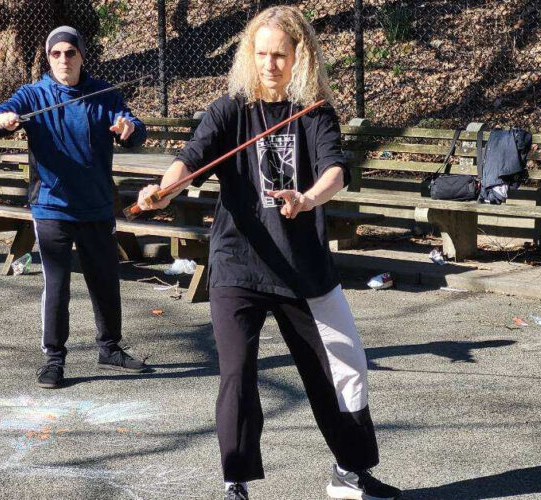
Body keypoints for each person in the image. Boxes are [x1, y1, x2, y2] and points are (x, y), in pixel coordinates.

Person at [135, 7, 398, 500]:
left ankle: (350, 473)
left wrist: (308, 198)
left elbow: (335, 171)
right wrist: (165, 192)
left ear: (300, 57)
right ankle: (235, 480)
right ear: (248, 56)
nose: (270, 64)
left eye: (280, 54)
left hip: (302, 269)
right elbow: (190, 160)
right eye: (261, 54)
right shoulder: (229, 110)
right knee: (238, 374)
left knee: (346, 367)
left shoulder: (314, 112)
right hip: (239, 265)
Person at [0, 26, 151, 389]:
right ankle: (54, 359)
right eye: (56, 53)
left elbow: (137, 129)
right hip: (51, 207)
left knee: (105, 281)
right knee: (57, 286)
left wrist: (129, 128)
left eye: (70, 52)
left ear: (81, 55)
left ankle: (110, 348)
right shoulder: (33, 94)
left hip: (96, 206)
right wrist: (2, 119)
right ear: (48, 58)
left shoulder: (103, 94)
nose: (64, 59)